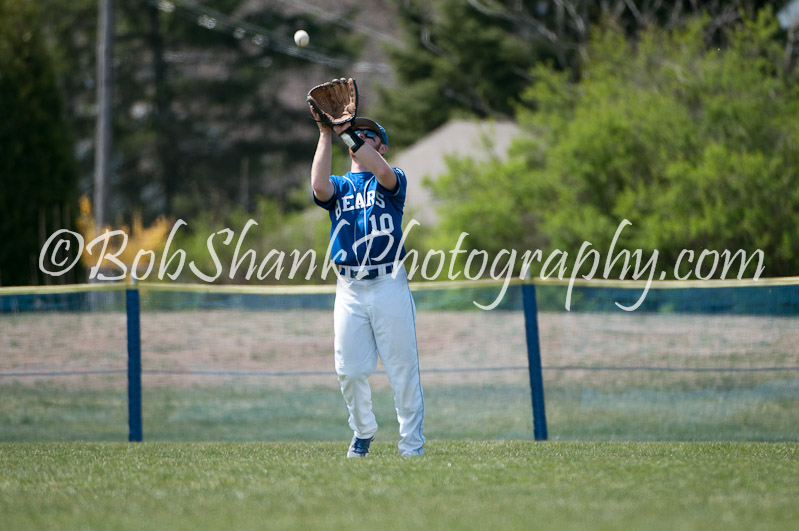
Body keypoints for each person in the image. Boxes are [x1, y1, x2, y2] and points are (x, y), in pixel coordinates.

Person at [309, 106, 425, 458]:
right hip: (349, 287)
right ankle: (362, 432)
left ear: (382, 146)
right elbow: (318, 185)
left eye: (368, 134)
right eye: (356, 133)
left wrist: (347, 131)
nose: (360, 137)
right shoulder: (341, 186)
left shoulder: (391, 179)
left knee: (402, 368)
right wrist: (326, 133)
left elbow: (379, 168)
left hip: (389, 282)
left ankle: (412, 447)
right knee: (349, 370)